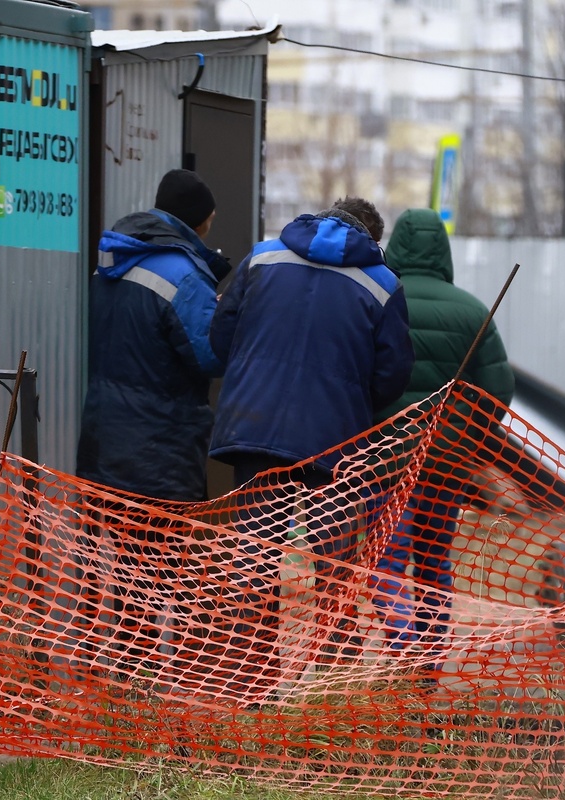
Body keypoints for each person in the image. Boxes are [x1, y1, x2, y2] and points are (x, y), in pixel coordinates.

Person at [206, 204, 415, 702]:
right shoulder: (382, 284)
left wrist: (254, 371)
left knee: (255, 558)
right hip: (336, 440)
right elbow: (392, 375)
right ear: (369, 238)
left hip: (255, 426)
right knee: (334, 563)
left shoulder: (262, 259)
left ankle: (248, 686)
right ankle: (330, 687)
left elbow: (220, 338)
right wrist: (351, 399)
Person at [370, 208, 514, 669]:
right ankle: (429, 662)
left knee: (387, 562)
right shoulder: (472, 311)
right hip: (445, 462)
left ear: (396, 246)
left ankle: (403, 649)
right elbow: (499, 390)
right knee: (434, 562)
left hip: (386, 460)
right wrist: (467, 439)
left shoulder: (380, 297)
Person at [76, 168, 231, 502]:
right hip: (159, 454)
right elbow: (211, 355)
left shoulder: (114, 260)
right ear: (198, 221)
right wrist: (224, 317)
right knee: (160, 538)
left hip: (102, 441)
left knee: (113, 535)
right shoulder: (183, 275)